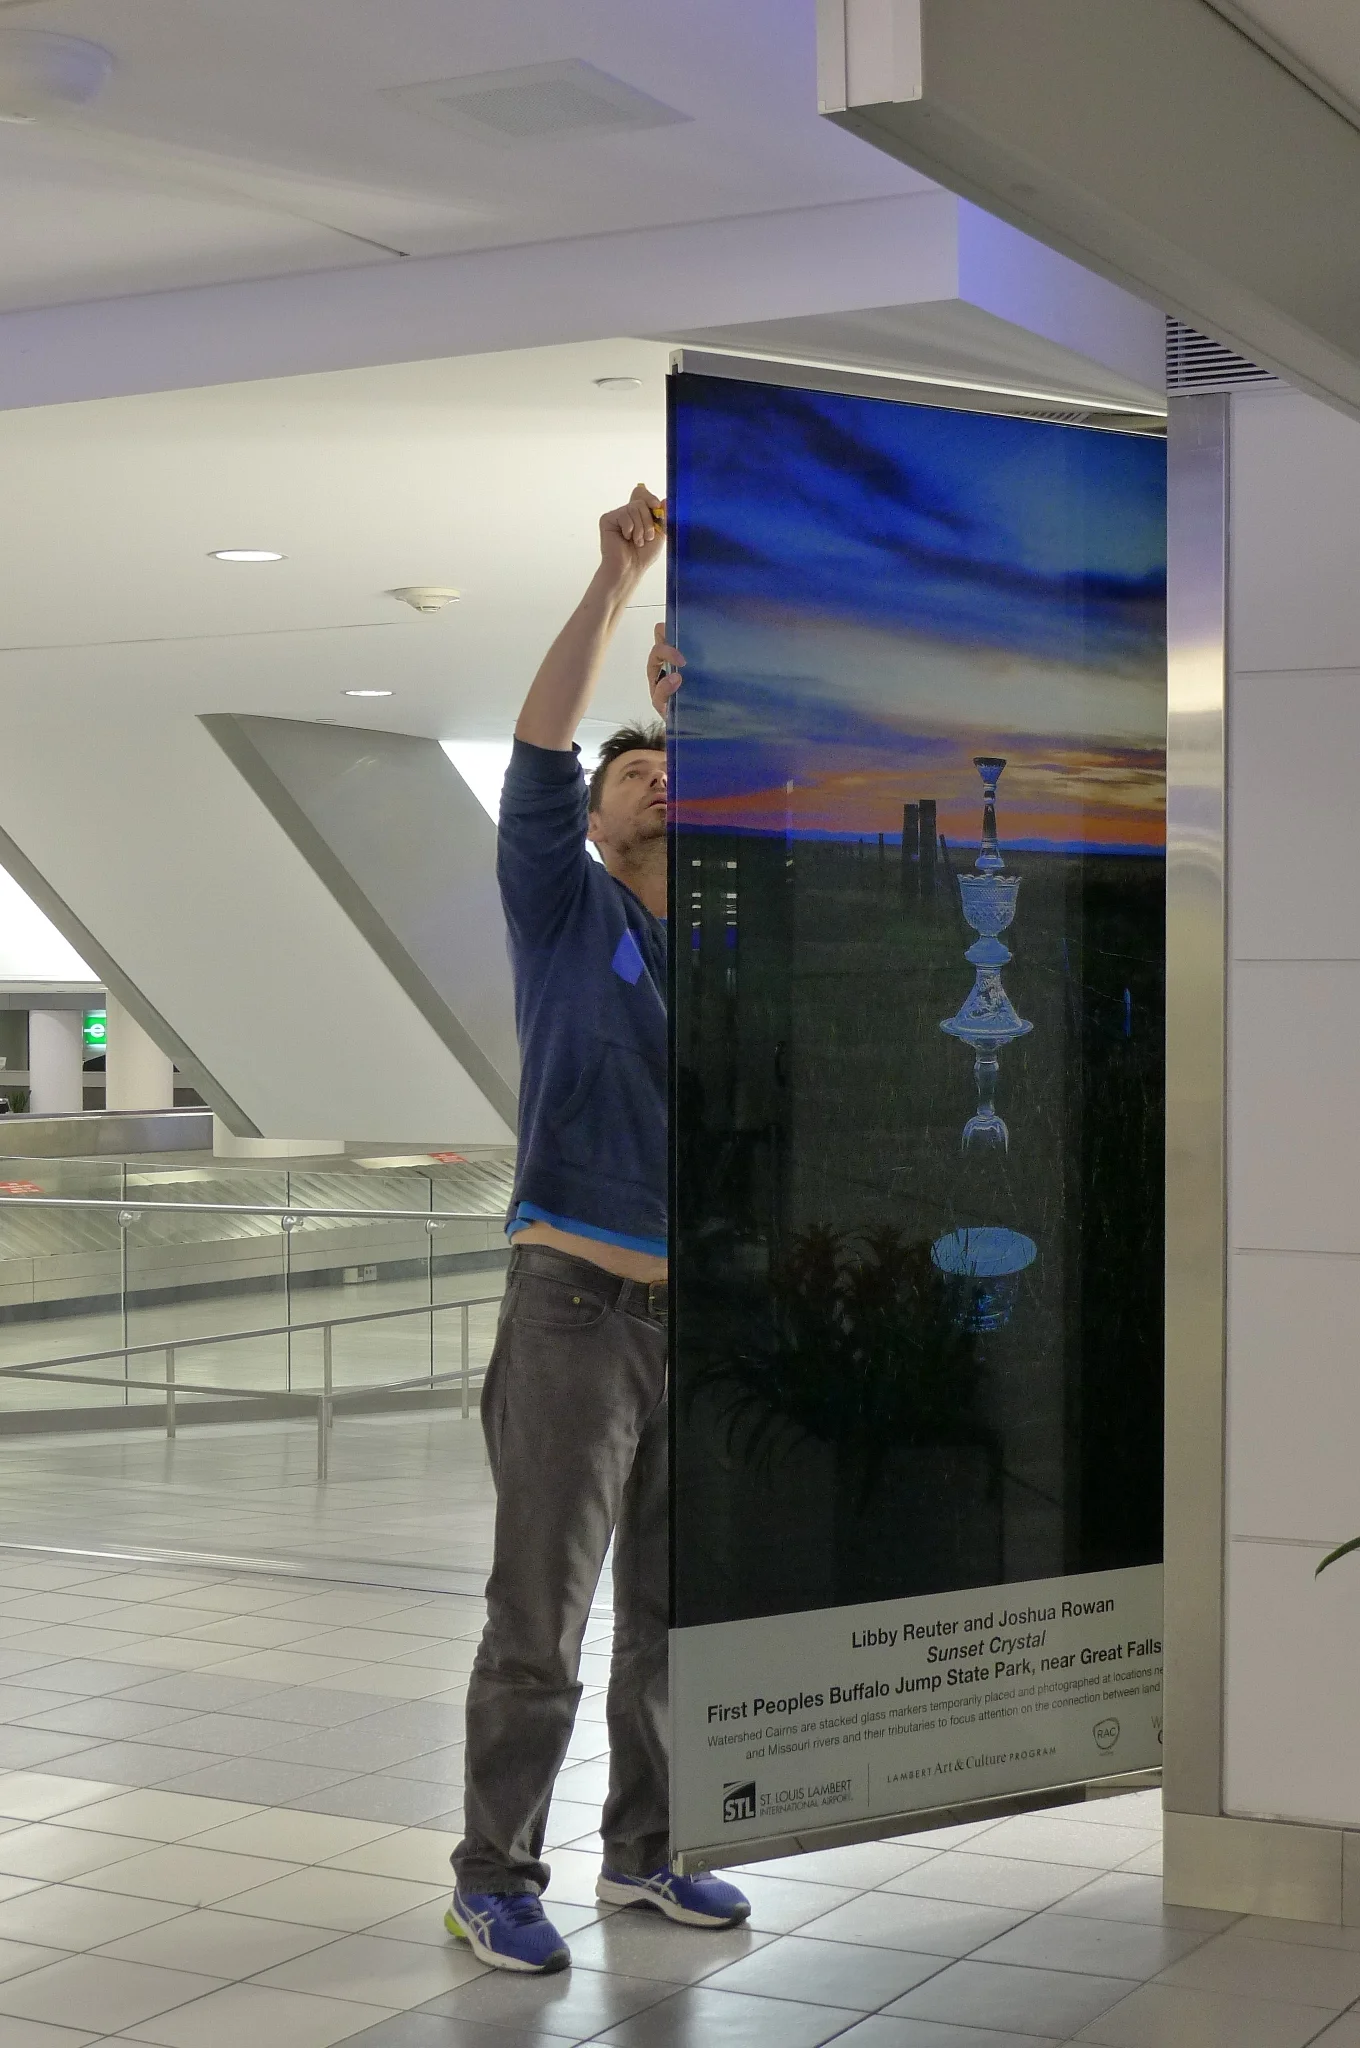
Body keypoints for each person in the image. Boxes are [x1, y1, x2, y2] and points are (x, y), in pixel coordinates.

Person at [446, 486, 750, 1973]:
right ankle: (494, 1873)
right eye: (634, 774)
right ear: (594, 816)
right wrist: (616, 586)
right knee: (543, 1616)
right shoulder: (565, 911)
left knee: (675, 1619)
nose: (655, 785)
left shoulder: (728, 947)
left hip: (701, 1318)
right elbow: (542, 744)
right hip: (573, 1304)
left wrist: (704, 712)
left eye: (671, 773)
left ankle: (650, 1852)